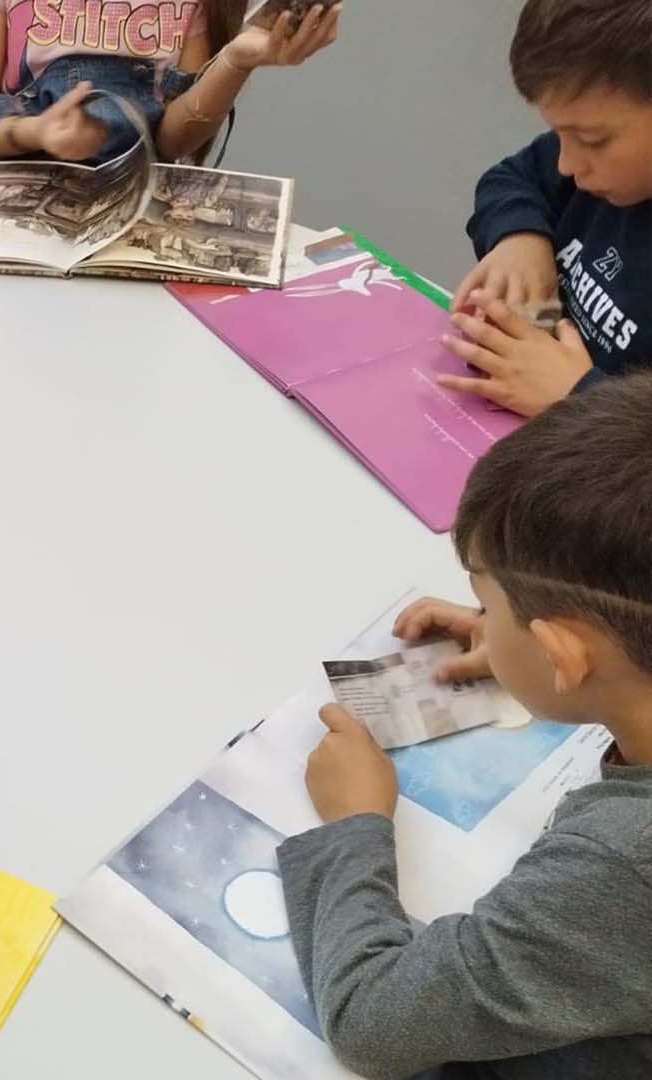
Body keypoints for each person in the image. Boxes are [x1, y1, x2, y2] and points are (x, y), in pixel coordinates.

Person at [279, 371, 652, 1078]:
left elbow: (372, 1022)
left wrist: (351, 826)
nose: (480, 613)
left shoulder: (620, 863)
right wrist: (521, 642)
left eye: (487, 597)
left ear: (560, 652)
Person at [444, 0, 652, 417]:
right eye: (559, 135)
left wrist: (577, 399)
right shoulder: (597, 175)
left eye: (592, 140)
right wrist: (520, 238)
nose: (567, 165)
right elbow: (512, 178)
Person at [0, 0, 340, 167]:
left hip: (135, 200)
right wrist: (35, 132)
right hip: (15, 191)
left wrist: (236, 60)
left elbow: (172, 141)